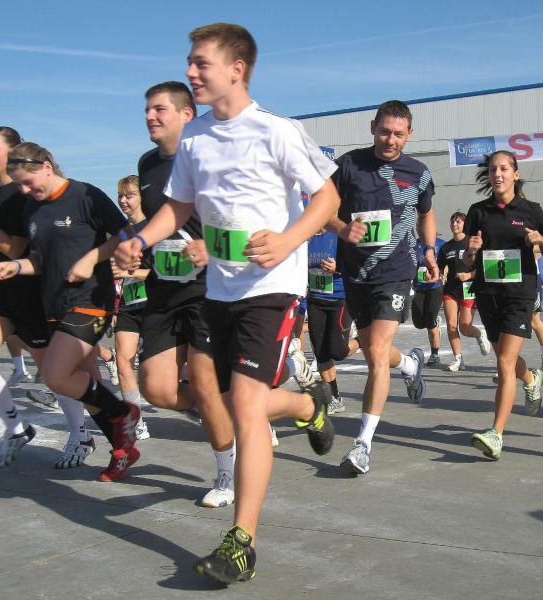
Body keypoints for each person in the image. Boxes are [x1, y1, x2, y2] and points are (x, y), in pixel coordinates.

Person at [115, 22, 340, 585]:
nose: (191, 71)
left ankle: (242, 543)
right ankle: (307, 406)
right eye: (190, 63)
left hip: (272, 288)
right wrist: (141, 239)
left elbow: (327, 197)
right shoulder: (195, 138)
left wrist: (288, 240)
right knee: (222, 399)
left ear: (237, 69)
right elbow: (178, 207)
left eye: (201, 63)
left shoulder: (277, 131)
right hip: (218, 289)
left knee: (244, 407)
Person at [0, 142, 141, 480]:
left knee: (56, 375)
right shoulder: (32, 208)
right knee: (87, 386)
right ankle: (123, 448)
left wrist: (92, 258)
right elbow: (40, 260)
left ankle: (124, 412)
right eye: (19, 185)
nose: (25, 190)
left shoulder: (83, 195)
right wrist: (16, 266)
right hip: (55, 305)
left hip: (91, 299)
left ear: (47, 166)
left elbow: (126, 232)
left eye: (29, 182)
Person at [136, 81, 237, 508]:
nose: (150, 116)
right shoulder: (146, 164)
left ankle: (227, 473)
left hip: (207, 287)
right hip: (163, 287)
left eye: (160, 109)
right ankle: (225, 411)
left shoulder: (210, 156)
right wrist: (137, 247)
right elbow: (160, 222)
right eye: (147, 109)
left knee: (203, 380)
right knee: (155, 388)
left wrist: (212, 248)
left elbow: (236, 217)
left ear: (186, 114)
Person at [328, 99, 437, 475]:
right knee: (375, 348)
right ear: (372, 127)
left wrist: (429, 250)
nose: (391, 140)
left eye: (399, 134)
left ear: (410, 134)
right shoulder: (348, 165)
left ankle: (363, 444)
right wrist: (343, 228)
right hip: (355, 273)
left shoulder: (418, 173)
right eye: (385, 131)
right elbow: (323, 210)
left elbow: (426, 214)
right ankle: (408, 364)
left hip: (396, 271)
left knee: (374, 351)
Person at [0, 127, 96, 470]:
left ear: (14, 152)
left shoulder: (20, 195)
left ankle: (81, 434)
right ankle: (16, 427)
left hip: (31, 297)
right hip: (0, 296)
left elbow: (14, 247)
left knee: (53, 373)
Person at [463, 151, 543, 460]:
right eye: (492, 169)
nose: (497, 174)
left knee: (503, 362)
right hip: (489, 293)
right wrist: (471, 252)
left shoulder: (531, 210)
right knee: (506, 357)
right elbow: (467, 260)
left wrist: (540, 242)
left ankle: (496, 434)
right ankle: (531, 378)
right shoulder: (478, 211)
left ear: (516, 173)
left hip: (520, 293)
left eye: (503, 169)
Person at [109, 175, 151, 439]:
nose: (123, 201)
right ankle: (136, 421)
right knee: (123, 361)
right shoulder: (122, 233)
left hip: (157, 304)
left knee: (163, 371)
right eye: (120, 196)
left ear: (142, 198)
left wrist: (131, 272)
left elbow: (163, 273)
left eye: (129, 195)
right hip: (129, 304)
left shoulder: (155, 227)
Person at [306, 227, 361, 414]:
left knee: (338, 351)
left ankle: (361, 340)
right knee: (321, 353)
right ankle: (334, 398)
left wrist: (338, 268)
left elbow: (357, 265)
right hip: (315, 300)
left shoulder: (339, 236)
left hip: (339, 299)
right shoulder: (307, 237)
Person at [437, 211, 491, 372]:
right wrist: (438, 275)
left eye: (458, 222)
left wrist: (468, 275)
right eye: (452, 221)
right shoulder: (446, 247)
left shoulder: (472, 243)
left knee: (464, 327)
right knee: (451, 325)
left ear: (464, 225)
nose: (454, 224)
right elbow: (439, 267)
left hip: (469, 289)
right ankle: (458, 359)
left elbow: (483, 267)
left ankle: (479, 334)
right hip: (450, 290)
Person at [412, 235, 446, 366]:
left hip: (435, 287)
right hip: (420, 287)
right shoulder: (414, 244)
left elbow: (446, 264)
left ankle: (435, 355)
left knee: (430, 321)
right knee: (419, 323)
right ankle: (435, 324)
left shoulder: (441, 244)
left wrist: (443, 275)